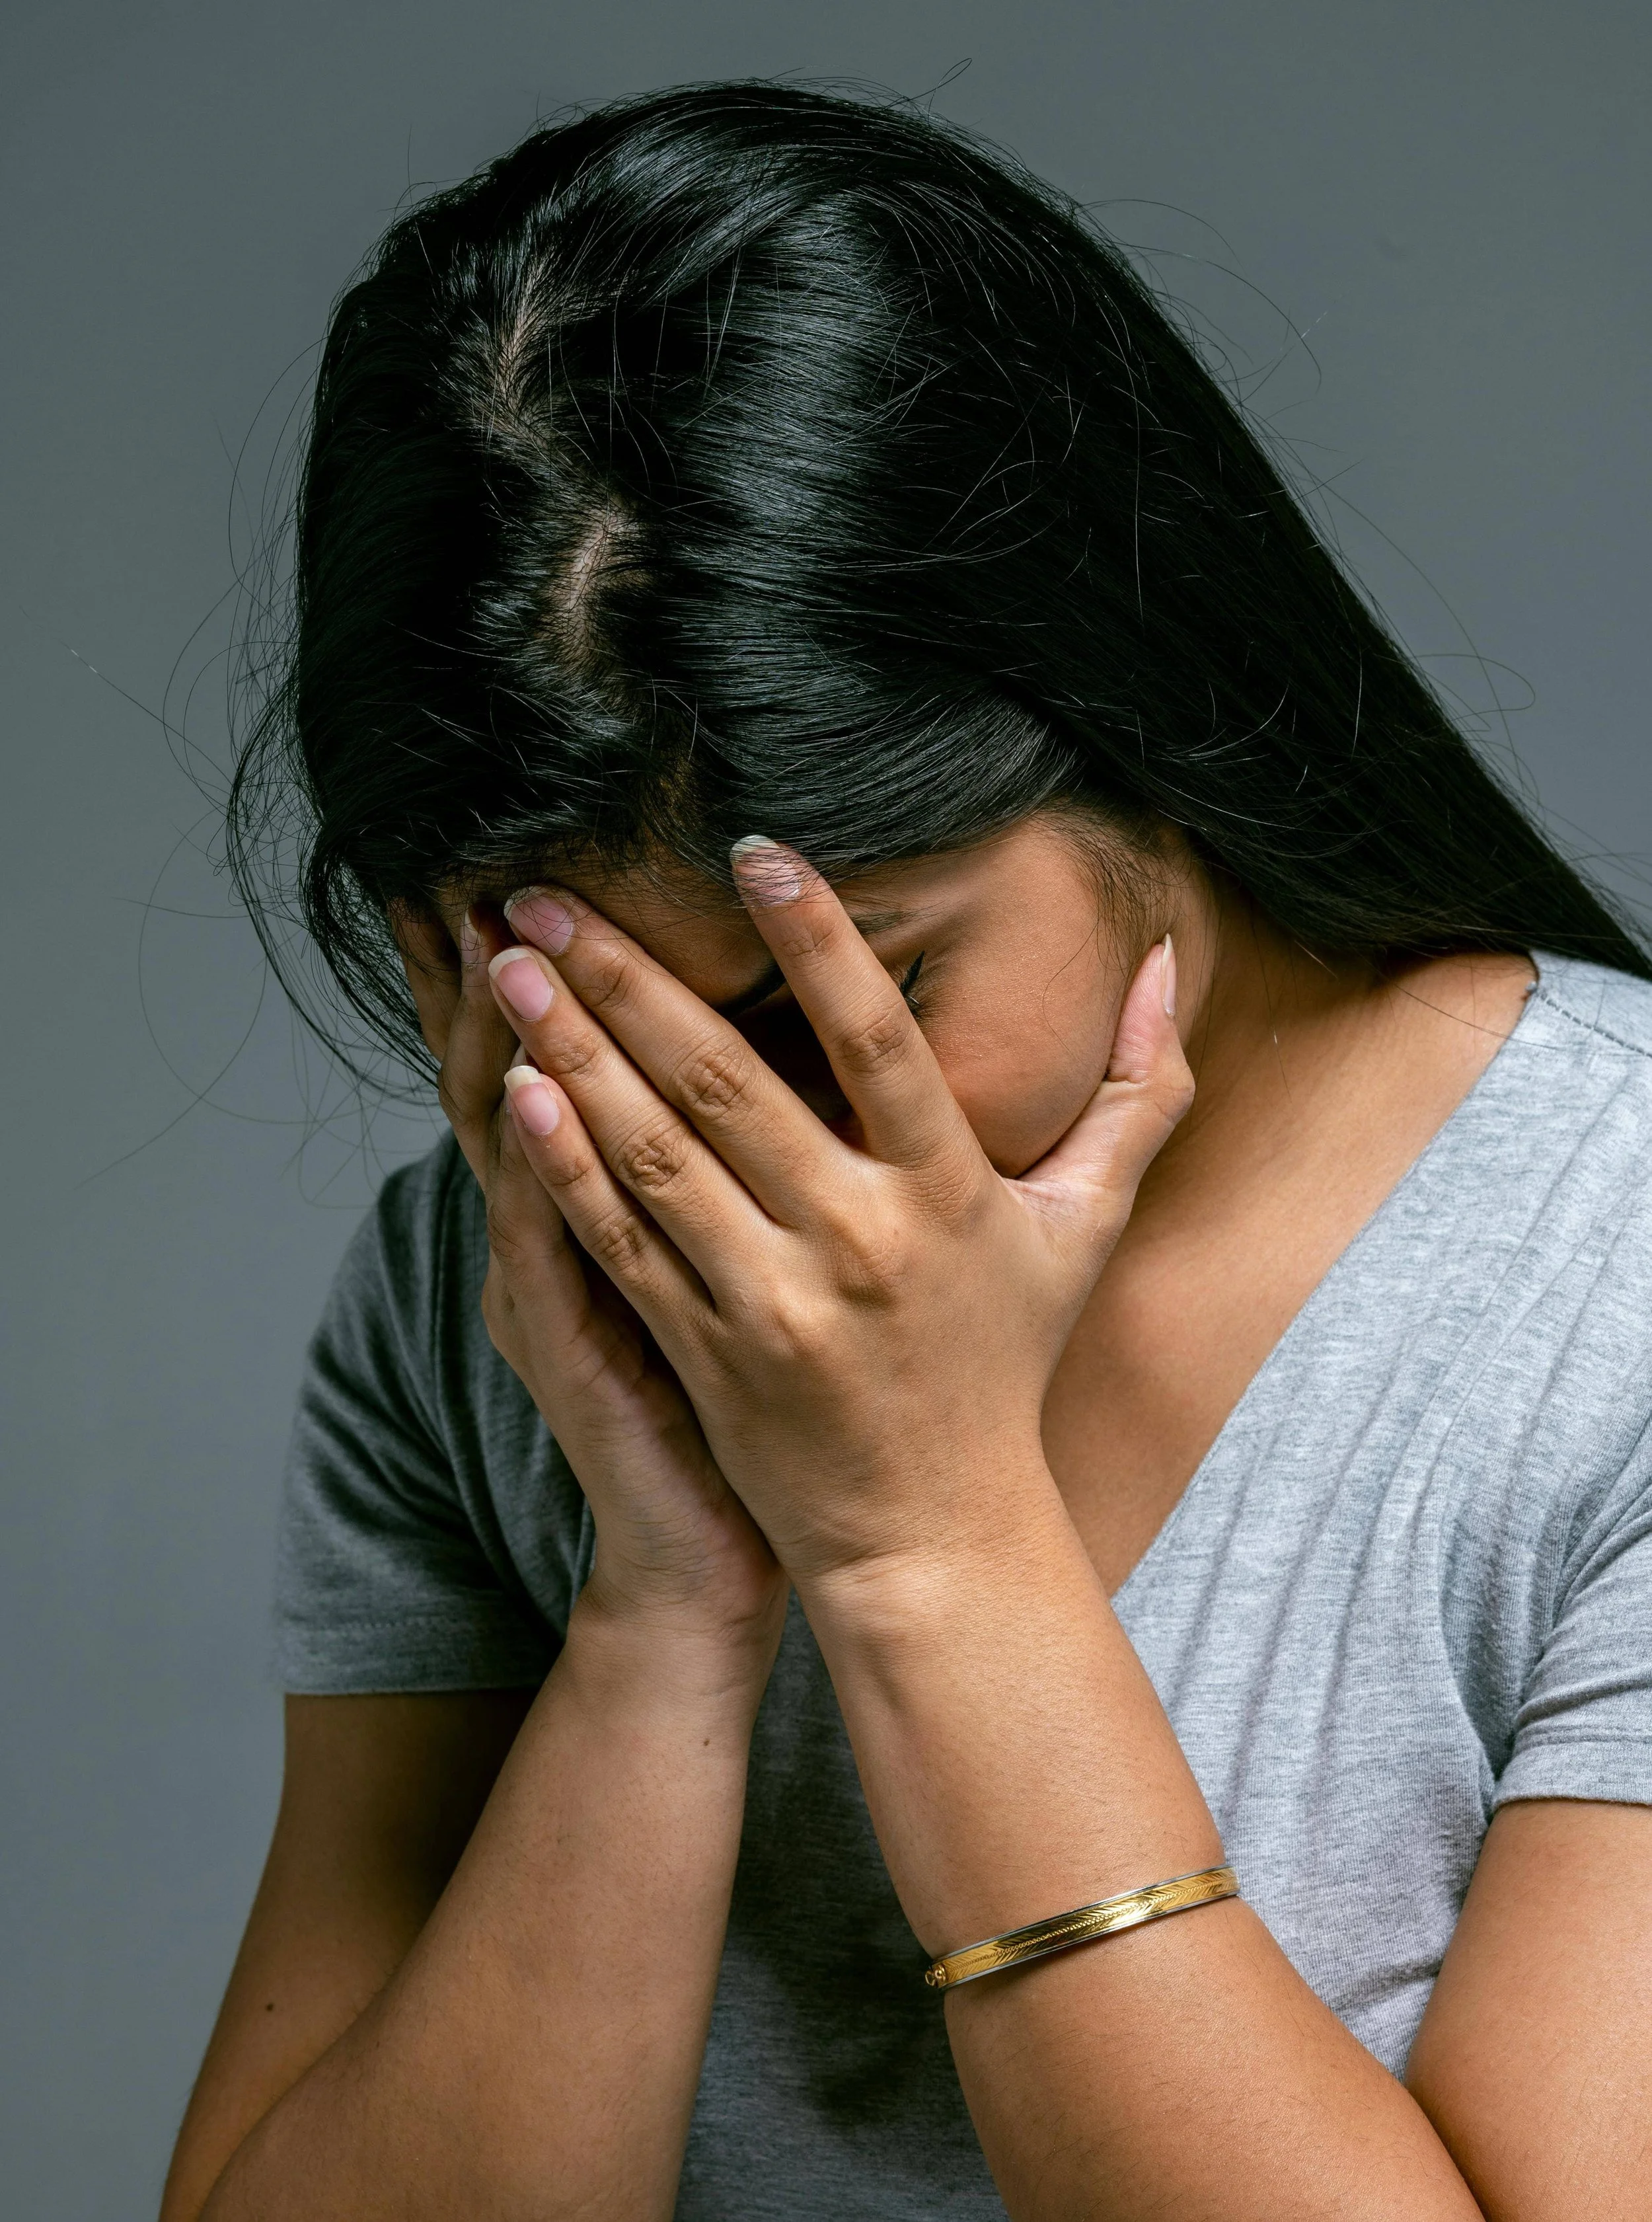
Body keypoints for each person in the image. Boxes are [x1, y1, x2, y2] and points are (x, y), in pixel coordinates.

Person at [162, 83, 1652, 2221]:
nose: (748, 1149)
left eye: (865, 987)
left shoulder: (1601, 1286)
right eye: (611, 1024)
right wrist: (665, 1592)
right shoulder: (489, 1292)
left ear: (1144, 714)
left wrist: (928, 1549)